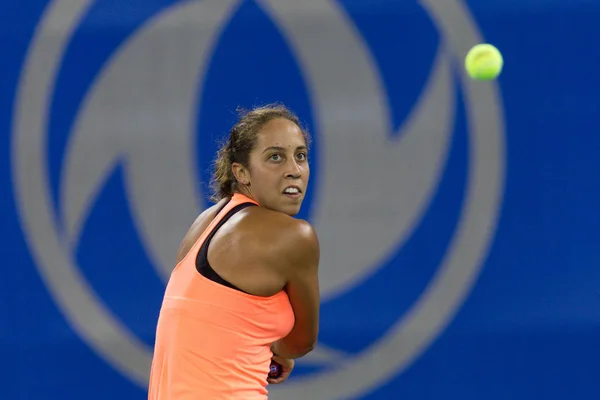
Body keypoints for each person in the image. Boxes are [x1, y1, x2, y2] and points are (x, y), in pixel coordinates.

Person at [148, 104, 320, 400]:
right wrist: (279, 350)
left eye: (300, 156)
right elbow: (301, 341)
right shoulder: (294, 237)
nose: (294, 170)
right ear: (242, 172)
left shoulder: (206, 222)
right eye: (275, 157)